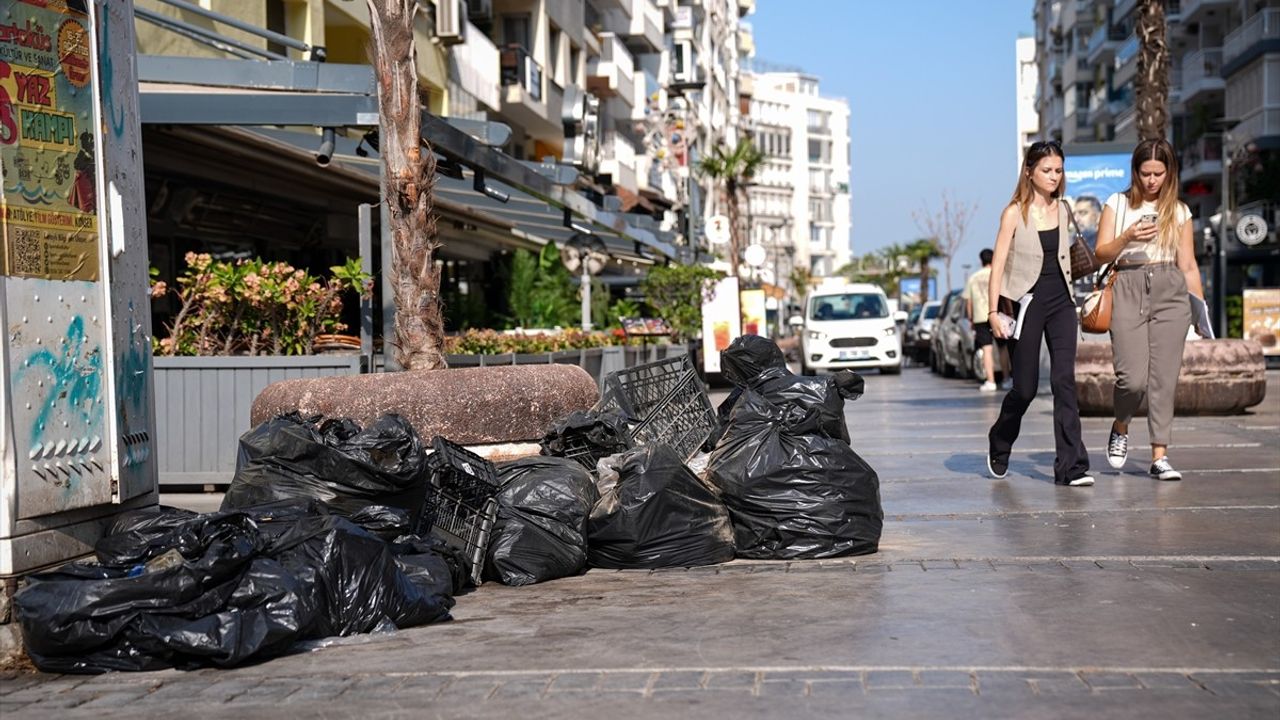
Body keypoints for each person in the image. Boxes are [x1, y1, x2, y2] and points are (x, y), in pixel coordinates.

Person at [1093, 139, 1206, 482]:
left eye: (1159, 173)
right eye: (1145, 173)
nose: (1152, 180)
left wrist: (1200, 314)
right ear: (1135, 171)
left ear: (1169, 172)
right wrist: (1128, 236)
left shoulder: (1180, 211)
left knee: (1164, 379)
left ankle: (1160, 454)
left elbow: (1187, 264)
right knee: (1132, 378)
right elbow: (1100, 252)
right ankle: (1121, 424)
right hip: (1128, 284)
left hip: (1170, 289)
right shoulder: (1118, 203)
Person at [985, 140, 1092, 487]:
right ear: (1029, 172)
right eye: (1046, 170)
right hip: (1026, 303)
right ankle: (1000, 442)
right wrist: (992, 311)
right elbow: (998, 265)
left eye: (1058, 170)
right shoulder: (1014, 212)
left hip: (1061, 301)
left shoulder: (1063, 208)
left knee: (1064, 381)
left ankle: (1072, 467)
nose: (1053, 176)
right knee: (1026, 389)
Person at [963, 248, 1012, 392]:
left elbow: (969, 301)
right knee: (1003, 348)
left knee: (986, 350)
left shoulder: (973, 278)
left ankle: (990, 381)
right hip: (998, 315)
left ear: (981, 261)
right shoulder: (998, 274)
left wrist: (971, 318)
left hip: (980, 317)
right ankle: (1007, 378)